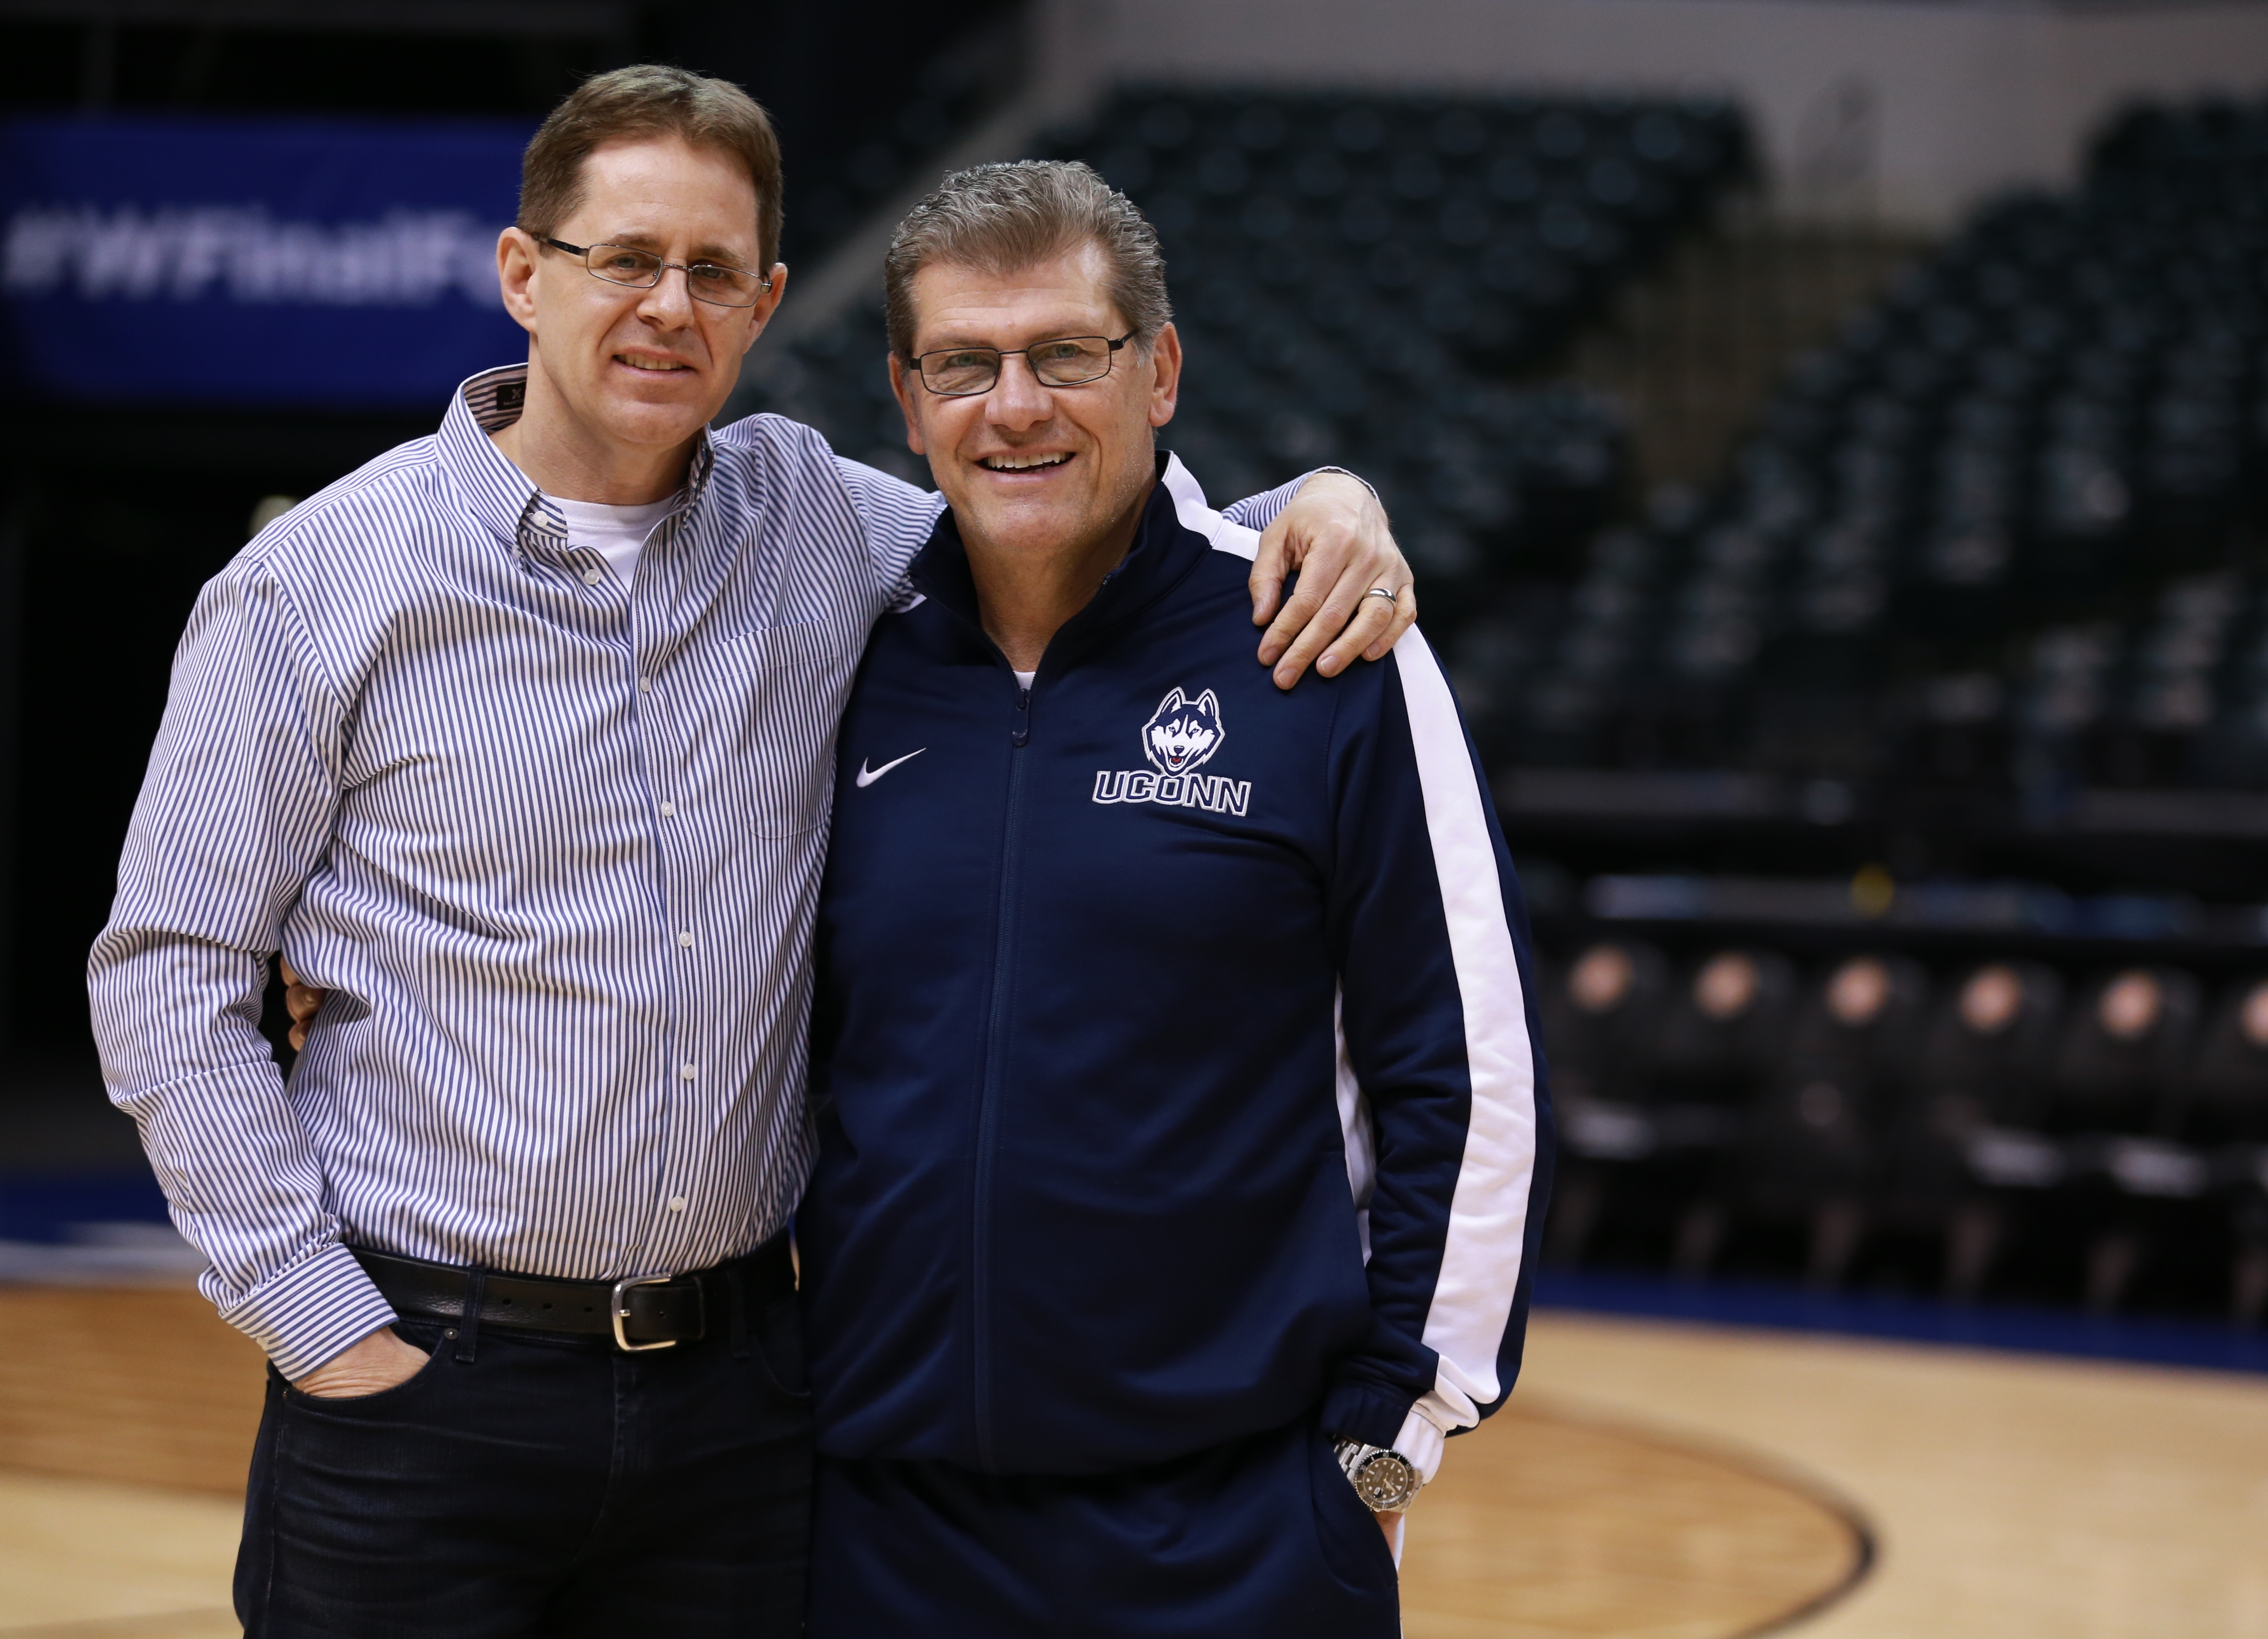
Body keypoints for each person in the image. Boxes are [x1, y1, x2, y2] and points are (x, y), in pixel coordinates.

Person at [85, 68, 1414, 1639]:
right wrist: (324, 1331)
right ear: (524, 274)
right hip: (423, 1391)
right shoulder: (315, 584)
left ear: (769, 299)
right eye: (624, 259)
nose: (668, 306)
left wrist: (1319, 505)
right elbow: (170, 974)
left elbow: (1057, 494)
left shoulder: (814, 520)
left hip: (738, 1409)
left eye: (714, 273)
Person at [799, 160, 1552, 1638]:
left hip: (1236, 1536)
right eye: (965, 364)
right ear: (905, 399)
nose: (1014, 407)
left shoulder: (1323, 640)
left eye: (1065, 356)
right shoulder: (841, 659)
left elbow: (1468, 1075)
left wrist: (1385, 1451)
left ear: (1160, 373)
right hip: (885, 1531)